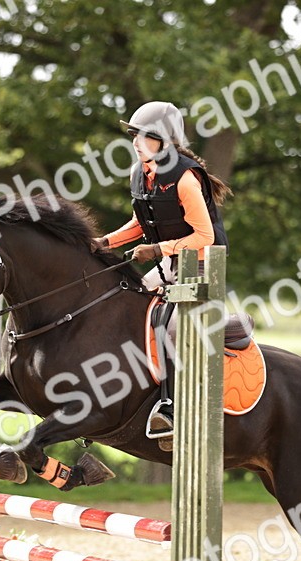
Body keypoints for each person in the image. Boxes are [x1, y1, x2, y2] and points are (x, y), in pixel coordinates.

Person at [93, 101, 232, 444]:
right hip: (168, 264)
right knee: (124, 304)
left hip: (200, 267)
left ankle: (170, 406)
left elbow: (205, 236)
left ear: (165, 141)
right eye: (134, 135)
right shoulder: (142, 173)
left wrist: (157, 250)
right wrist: (104, 242)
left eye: (144, 136)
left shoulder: (185, 178)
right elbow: (141, 222)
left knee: (166, 324)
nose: (136, 141)